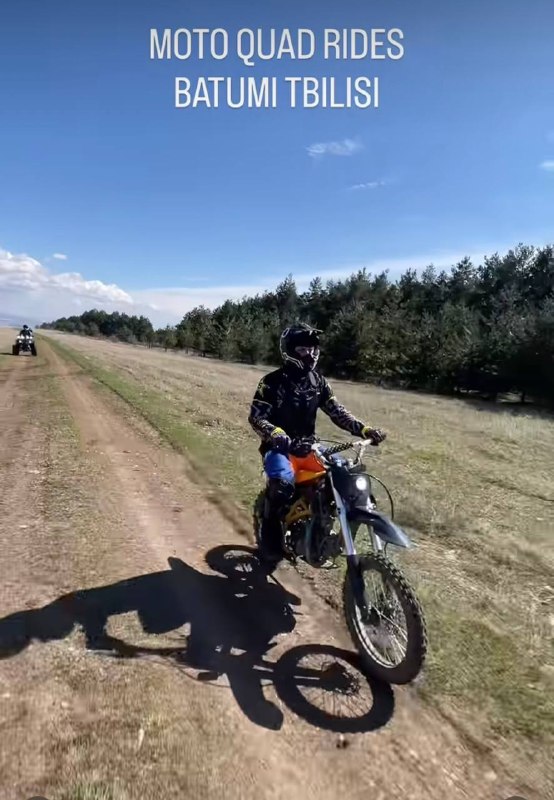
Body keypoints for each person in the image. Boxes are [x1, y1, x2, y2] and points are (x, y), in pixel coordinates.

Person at [248, 322, 386, 566]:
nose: (310, 354)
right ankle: (269, 536)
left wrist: (364, 429)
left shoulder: (318, 382)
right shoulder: (271, 382)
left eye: (313, 349)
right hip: (279, 449)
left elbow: (337, 411)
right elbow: (257, 417)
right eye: (303, 349)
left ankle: (325, 528)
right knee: (281, 485)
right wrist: (275, 432)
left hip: (310, 447)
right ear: (289, 351)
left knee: (343, 475)